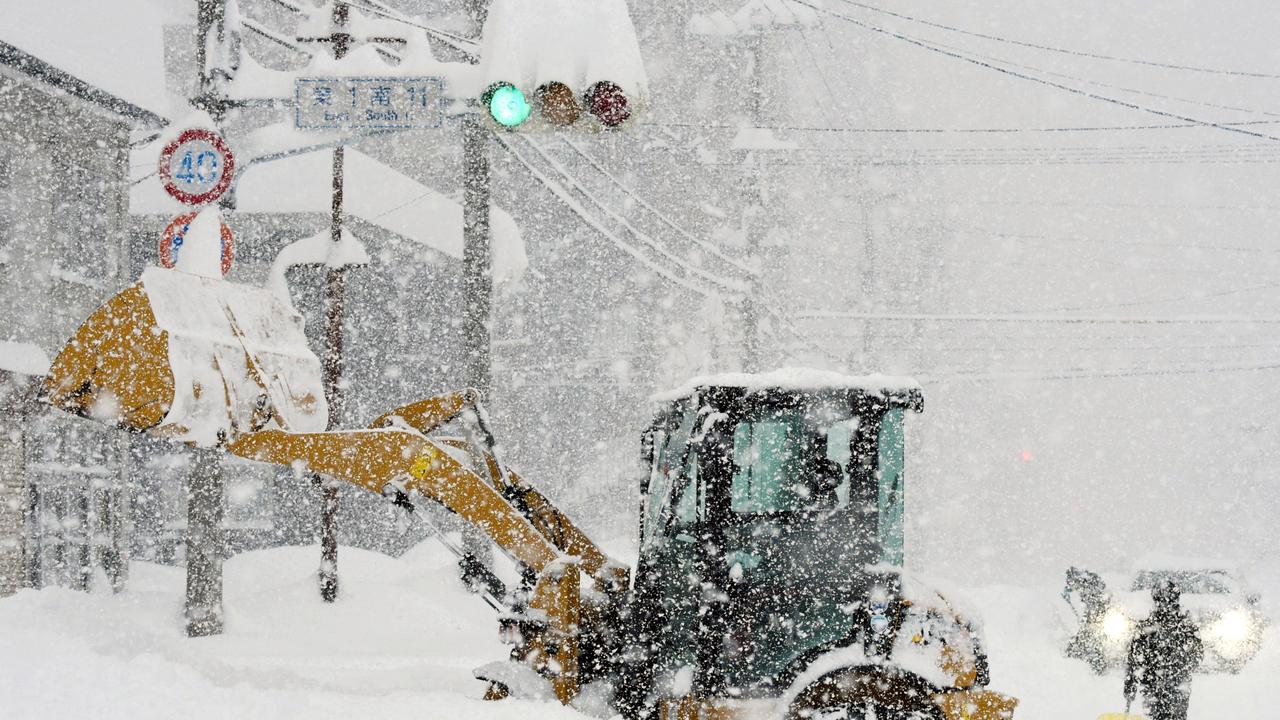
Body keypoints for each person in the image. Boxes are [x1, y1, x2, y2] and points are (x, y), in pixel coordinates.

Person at [1123, 580, 1204, 720]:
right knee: (1173, 715)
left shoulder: (1149, 625)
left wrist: (1131, 681)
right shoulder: (1184, 625)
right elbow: (1197, 654)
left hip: (1160, 682)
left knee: (1163, 715)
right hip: (1169, 682)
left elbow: (1135, 657)